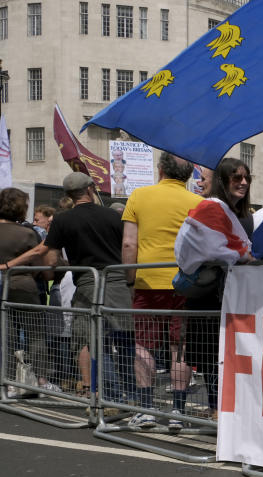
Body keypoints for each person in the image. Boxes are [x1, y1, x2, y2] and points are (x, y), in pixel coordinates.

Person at [3, 172, 136, 400]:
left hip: (86, 283)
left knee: (91, 340)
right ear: (91, 189)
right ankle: (135, 397)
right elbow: (128, 246)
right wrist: (130, 279)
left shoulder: (64, 220)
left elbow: (44, 253)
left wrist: (9, 265)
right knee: (125, 340)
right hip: (116, 281)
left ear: (68, 195)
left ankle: (105, 395)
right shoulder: (114, 216)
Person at [121, 152, 203, 426]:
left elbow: (129, 244)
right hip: (183, 283)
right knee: (178, 346)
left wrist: (130, 278)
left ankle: (146, 409)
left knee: (144, 344)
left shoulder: (139, 196)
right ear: (189, 175)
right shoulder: (198, 202)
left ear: (160, 170)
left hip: (146, 281)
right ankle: (178, 412)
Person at [175, 158, 254, 424]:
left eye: (246, 178)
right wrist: (242, 255)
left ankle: (223, 411)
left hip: (224, 296)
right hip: (209, 297)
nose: (243, 183)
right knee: (213, 357)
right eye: (236, 178)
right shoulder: (211, 206)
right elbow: (210, 248)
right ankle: (218, 411)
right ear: (223, 181)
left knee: (224, 356)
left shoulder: (229, 211)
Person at [0, 188, 51, 395]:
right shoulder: (28, 233)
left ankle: (8, 381)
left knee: (6, 335)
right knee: (35, 334)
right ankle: (41, 380)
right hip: (22, 285)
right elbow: (40, 265)